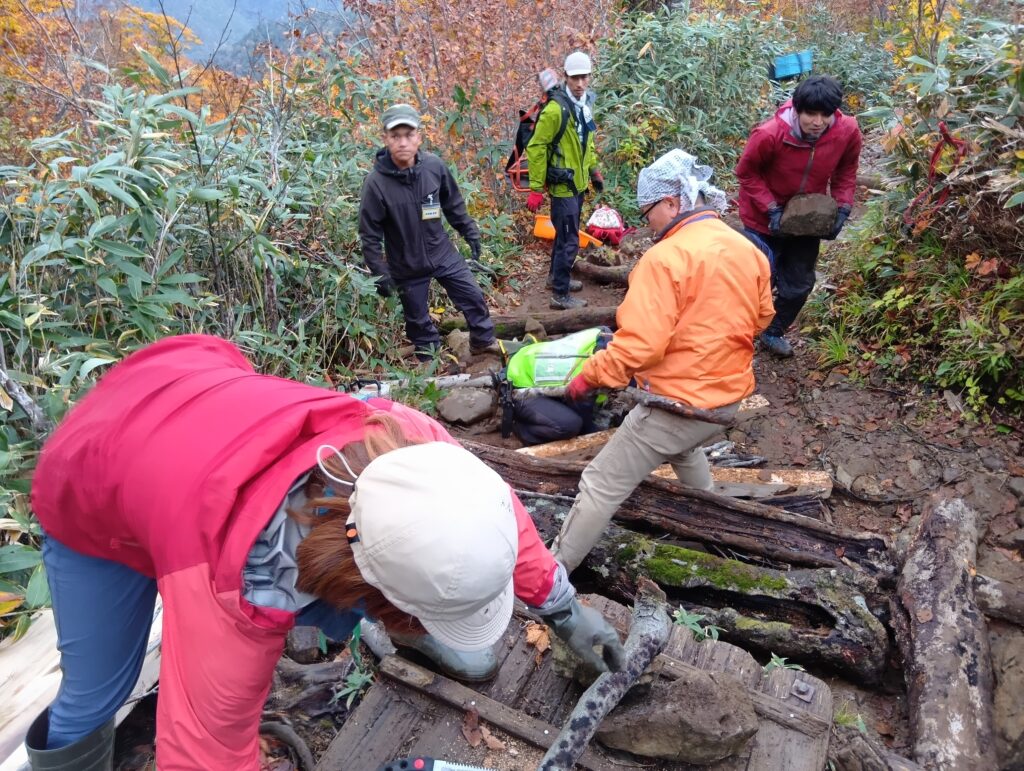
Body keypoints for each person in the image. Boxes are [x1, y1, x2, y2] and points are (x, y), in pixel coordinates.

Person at [24, 335, 624, 770]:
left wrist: (563, 610)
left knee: (373, 563)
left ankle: (404, 614)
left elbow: (494, 516)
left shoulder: (409, 445)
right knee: (95, 693)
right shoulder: (239, 595)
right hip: (96, 473)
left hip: (204, 399)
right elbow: (205, 751)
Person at [550, 150, 775, 572]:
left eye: (647, 211)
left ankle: (550, 579)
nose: (647, 223)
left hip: (680, 403)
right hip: (726, 398)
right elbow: (762, 317)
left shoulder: (665, 259)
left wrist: (590, 377)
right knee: (684, 449)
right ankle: (716, 529)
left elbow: (639, 347)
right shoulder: (747, 249)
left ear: (672, 203)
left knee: (600, 482)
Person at [359, 103, 500, 361]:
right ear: (386, 139)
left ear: (419, 137)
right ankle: (430, 364)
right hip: (406, 263)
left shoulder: (433, 167)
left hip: (442, 252)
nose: (403, 142)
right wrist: (380, 272)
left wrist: (468, 230)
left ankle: (482, 341)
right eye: (396, 136)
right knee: (417, 320)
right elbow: (369, 235)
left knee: (472, 296)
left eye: (408, 135)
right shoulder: (376, 184)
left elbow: (452, 203)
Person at [735, 74, 863, 358]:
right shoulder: (769, 134)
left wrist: (843, 207)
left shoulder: (847, 131)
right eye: (811, 114)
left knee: (799, 284)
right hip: (762, 219)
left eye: (825, 115)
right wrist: (771, 208)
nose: (818, 122)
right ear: (797, 109)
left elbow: (846, 171)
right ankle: (738, 335)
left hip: (806, 219)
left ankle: (773, 331)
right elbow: (746, 173)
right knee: (756, 282)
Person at [525, 51, 602, 311]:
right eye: (575, 78)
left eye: (584, 77)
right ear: (566, 77)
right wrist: (536, 188)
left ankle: (554, 278)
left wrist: (593, 170)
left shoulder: (584, 105)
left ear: (589, 77)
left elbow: (586, 142)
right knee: (569, 240)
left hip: (577, 184)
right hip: (563, 186)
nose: (580, 83)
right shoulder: (556, 110)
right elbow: (536, 147)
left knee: (564, 235)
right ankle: (560, 295)